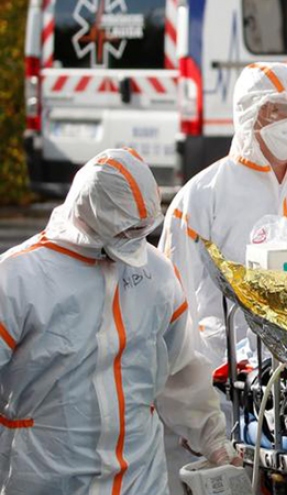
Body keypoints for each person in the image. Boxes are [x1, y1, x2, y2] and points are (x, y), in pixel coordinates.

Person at [0, 149, 234, 495]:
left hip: (139, 479)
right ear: (92, 215)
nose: (136, 240)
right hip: (46, 479)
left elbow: (180, 369)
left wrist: (212, 438)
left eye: (143, 229)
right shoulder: (18, 278)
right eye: (127, 230)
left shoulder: (155, 272)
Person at [160, 61, 287, 367]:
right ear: (249, 113)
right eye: (278, 109)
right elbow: (173, 298)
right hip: (231, 373)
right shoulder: (203, 196)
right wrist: (193, 379)